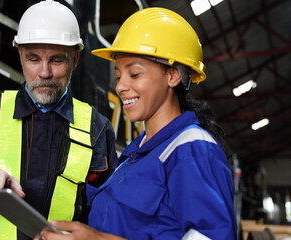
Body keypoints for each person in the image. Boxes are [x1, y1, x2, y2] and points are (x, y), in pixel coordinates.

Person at [38, 7, 237, 240]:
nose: (121, 86)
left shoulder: (192, 150)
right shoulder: (135, 156)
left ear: (173, 76)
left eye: (134, 74)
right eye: (119, 75)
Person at [0, 1, 117, 239]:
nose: (45, 72)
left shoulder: (97, 130)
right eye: (33, 59)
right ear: (20, 56)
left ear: (75, 59)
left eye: (57, 60)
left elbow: (110, 214)